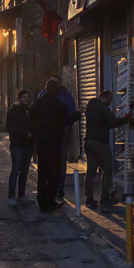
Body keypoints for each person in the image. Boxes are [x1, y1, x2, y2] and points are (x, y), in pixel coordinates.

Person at [30, 79, 84, 213]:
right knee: (54, 173)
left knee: (43, 173)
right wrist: (78, 113)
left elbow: (32, 122)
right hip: (54, 142)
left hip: (41, 143)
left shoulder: (37, 103)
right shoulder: (58, 104)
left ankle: (42, 202)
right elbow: (66, 120)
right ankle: (50, 201)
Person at [84, 90, 134, 212]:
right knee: (107, 168)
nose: (111, 103)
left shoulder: (90, 108)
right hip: (100, 143)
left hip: (88, 142)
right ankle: (104, 197)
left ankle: (89, 198)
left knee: (90, 172)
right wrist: (125, 119)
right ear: (104, 97)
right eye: (110, 99)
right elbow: (112, 123)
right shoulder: (103, 108)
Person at [37, 74, 77, 198]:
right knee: (46, 162)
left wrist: (66, 127)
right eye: (51, 82)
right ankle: (46, 191)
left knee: (61, 161)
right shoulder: (42, 96)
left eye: (56, 82)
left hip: (62, 132)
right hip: (46, 136)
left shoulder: (65, 95)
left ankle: (59, 188)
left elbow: (70, 112)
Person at [5, 89, 35, 207]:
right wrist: (24, 134)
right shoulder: (13, 111)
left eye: (28, 97)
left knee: (25, 171)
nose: (26, 99)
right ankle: (11, 196)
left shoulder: (30, 111)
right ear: (19, 99)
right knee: (16, 170)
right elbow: (10, 128)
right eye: (24, 97)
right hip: (17, 146)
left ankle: (21, 195)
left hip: (28, 146)